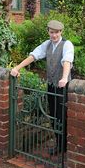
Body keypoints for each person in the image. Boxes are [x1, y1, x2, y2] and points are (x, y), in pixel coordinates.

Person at [10, 19, 74, 155]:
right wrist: (18, 67)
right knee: (52, 115)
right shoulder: (47, 44)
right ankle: (60, 144)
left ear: (61, 32)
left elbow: (67, 60)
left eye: (56, 33)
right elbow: (34, 55)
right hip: (51, 85)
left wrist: (64, 77)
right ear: (48, 32)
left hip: (63, 86)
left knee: (62, 116)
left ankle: (65, 146)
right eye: (52, 32)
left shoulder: (67, 44)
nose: (54, 35)